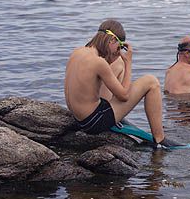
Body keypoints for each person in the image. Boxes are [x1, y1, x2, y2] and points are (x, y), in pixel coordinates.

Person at [64, 19, 180, 148]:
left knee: (118, 62)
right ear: (112, 40)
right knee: (151, 81)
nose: (118, 52)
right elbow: (124, 96)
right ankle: (160, 139)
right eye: (119, 47)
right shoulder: (98, 62)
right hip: (93, 122)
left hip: (79, 118)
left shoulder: (78, 52)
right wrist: (128, 63)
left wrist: (118, 58)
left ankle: (115, 116)